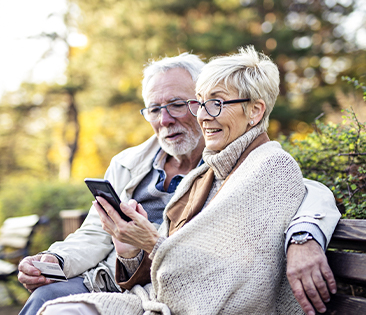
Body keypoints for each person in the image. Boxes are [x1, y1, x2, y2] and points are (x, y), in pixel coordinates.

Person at [18, 52, 339, 315]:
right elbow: (94, 234)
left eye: (177, 104)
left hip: (170, 290)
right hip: (117, 279)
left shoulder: (237, 160)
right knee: (48, 298)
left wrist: (304, 236)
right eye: (155, 109)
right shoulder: (129, 163)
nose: (165, 119)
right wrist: (56, 260)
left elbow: (300, 187)